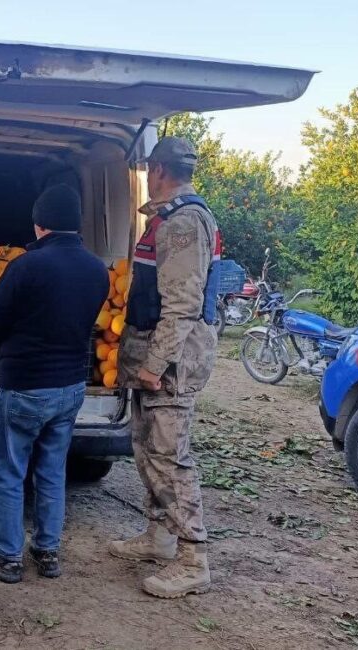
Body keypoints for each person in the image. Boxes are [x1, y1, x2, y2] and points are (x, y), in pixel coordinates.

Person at [0, 185, 109, 584]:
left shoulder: (27, 266)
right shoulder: (97, 269)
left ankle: (7, 556)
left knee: (10, 472)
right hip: (70, 388)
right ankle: (47, 552)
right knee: (51, 471)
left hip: (26, 385)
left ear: (39, 224)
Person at [108, 136, 222, 599]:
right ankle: (158, 535)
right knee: (146, 447)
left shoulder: (183, 222)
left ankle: (193, 558)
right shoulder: (169, 218)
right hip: (153, 355)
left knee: (171, 458)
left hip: (170, 363)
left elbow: (182, 305)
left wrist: (155, 364)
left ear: (157, 171)